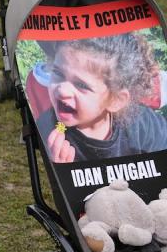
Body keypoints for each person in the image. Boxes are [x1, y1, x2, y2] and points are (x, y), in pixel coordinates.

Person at [35, 34, 167, 163]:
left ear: (116, 100)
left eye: (81, 85)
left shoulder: (145, 126)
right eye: (58, 73)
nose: (62, 90)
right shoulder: (48, 127)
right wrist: (60, 170)